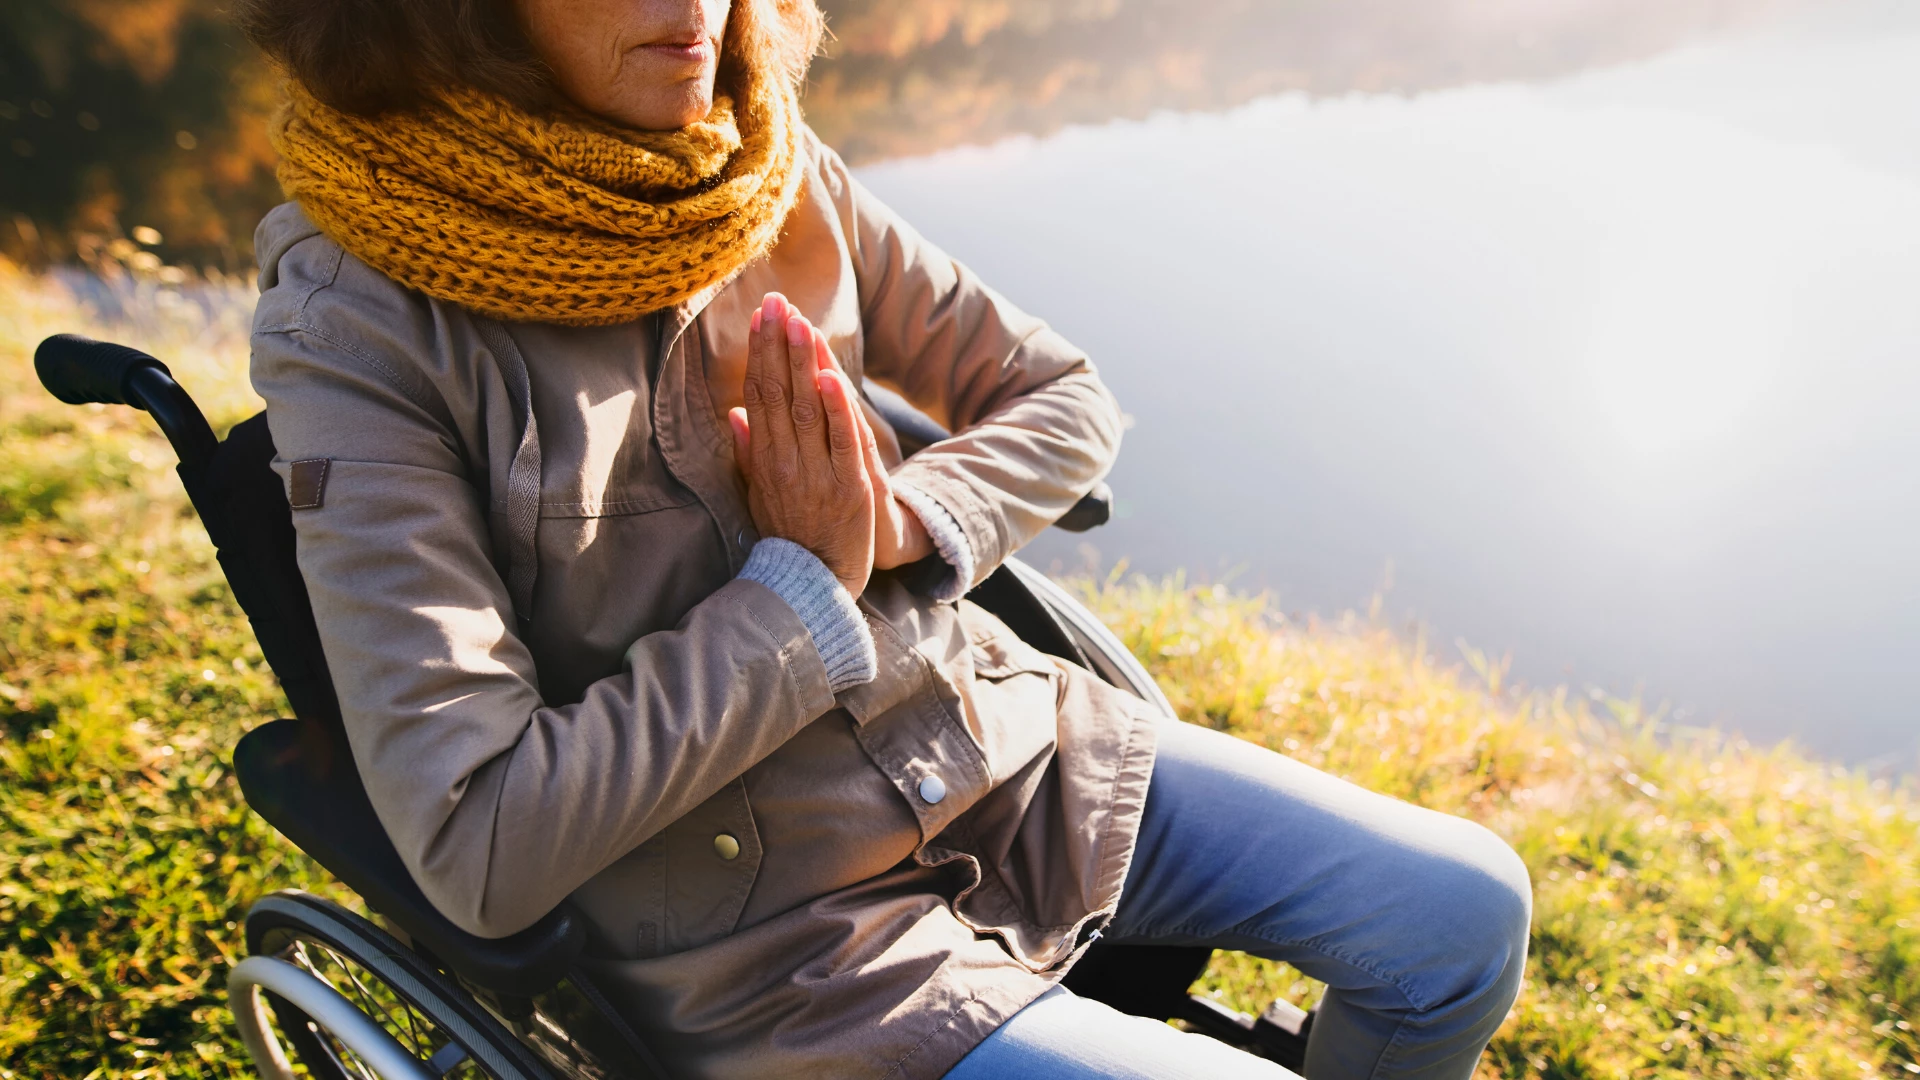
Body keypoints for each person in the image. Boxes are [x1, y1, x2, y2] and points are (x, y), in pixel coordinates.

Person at [238, 0, 1532, 1076]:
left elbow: (1061, 394)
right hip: (777, 946)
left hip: (998, 751)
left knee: (1463, 915)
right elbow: (479, 842)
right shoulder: (356, 323)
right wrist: (801, 591)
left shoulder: (756, 164)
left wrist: (904, 518)